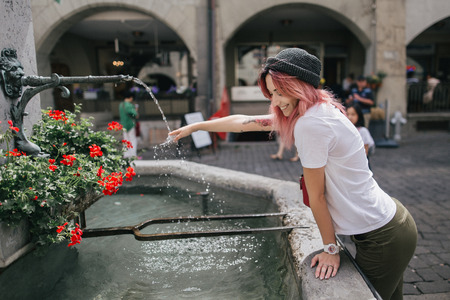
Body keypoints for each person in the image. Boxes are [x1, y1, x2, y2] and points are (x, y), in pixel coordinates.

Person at [170, 48, 417, 300]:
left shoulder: (311, 124)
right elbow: (244, 122)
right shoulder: (316, 110)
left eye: (279, 92)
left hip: (383, 237)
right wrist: (198, 126)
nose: (274, 101)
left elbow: (317, 195)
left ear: (299, 86)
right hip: (389, 224)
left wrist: (330, 248)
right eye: (271, 93)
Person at [347, 104, 375, 169]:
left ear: (358, 115)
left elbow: (365, 151)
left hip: (360, 165)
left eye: (353, 114)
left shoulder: (363, 131)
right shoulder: (345, 130)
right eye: (347, 114)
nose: (350, 117)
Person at [119, 91, 138, 158]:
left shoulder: (121, 105)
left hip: (123, 125)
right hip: (130, 124)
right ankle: (133, 154)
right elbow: (134, 114)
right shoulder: (130, 105)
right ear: (130, 98)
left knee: (125, 140)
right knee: (132, 139)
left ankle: (126, 154)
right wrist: (136, 110)